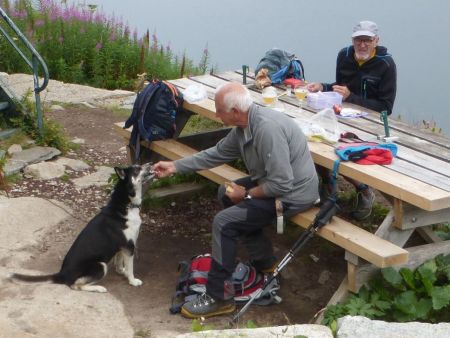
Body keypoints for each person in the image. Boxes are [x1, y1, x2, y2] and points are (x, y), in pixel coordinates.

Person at [153, 82, 319, 319]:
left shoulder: (266, 130)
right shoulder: (244, 127)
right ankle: (265, 264)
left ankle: (219, 297)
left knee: (225, 222)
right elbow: (216, 154)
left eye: (220, 110)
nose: (217, 114)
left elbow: (282, 184)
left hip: (294, 194)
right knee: (226, 191)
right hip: (273, 182)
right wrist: (175, 166)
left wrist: (248, 194)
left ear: (235, 112)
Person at [308, 20, 397, 220]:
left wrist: (351, 98)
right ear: (352, 40)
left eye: (367, 40)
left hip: (370, 126)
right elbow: (340, 87)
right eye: (358, 40)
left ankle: (364, 189)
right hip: (342, 117)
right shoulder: (344, 55)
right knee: (313, 140)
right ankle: (328, 183)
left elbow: (386, 107)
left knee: (340, 151)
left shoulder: (386, 64)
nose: (362, 45)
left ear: (376, 41)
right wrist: (323, 86)